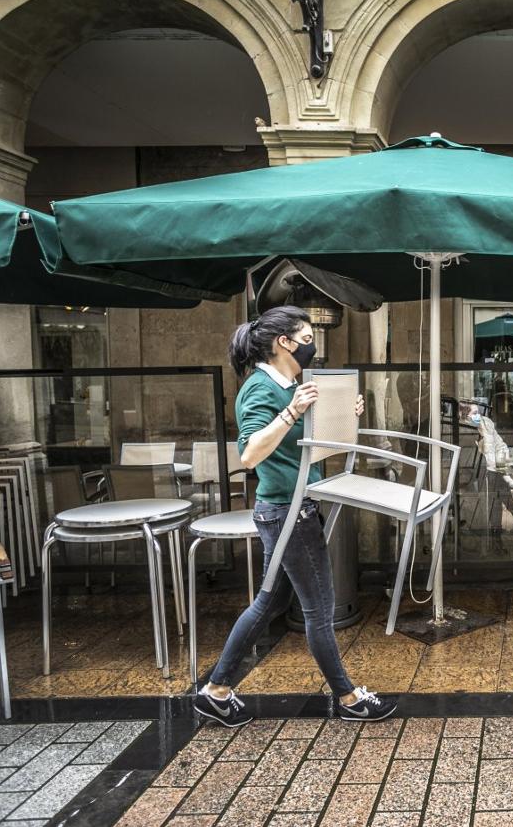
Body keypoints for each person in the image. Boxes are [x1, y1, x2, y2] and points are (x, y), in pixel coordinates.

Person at [194, 306, 396, 727]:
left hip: (290, 507)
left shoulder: (292, 384)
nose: (312, 343)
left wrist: (344, 413)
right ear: (284, 342)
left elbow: (312, 444)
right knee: (319, 610)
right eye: (307, 335)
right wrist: (292, 412)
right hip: (289, 511)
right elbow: (249, 454)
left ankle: (216, 690)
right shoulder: (261, 389)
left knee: (270, 601)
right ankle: (348, 696)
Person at [460, 402, 513, 538]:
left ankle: (497, 531)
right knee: (498, 490)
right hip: (475, 472)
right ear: (465, 416)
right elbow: (471, 456)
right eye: (474, 413)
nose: (478, 415)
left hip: (492, 469)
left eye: (478, 412)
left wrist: (502, 459)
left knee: (497, 493)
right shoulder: (464, 431)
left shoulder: (486, 423)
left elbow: (499, 444)